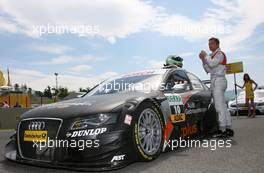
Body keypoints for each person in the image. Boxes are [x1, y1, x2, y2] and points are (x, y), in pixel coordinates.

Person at [199, 37, 234, 138]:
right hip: (216, 80)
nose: (210, 45)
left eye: (212, 43)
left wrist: (205, 56)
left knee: (219, 106)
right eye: (209, 44)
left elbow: (212, 63)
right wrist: (203, 60)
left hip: (219, 80)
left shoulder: (220, 54)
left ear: (217, 44)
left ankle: (222, 130)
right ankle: (228, 128)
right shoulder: (211, 56)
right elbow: (208, 69)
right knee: (222, 106)